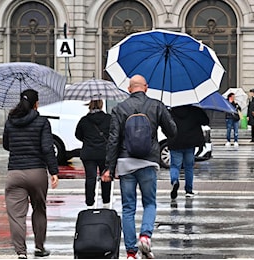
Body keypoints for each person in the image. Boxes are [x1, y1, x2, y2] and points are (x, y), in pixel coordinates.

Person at [101, 75, 177, 259]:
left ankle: (130, 252)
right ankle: (145, 236)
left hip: (126, 163)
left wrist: (109, 168)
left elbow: (113, 140)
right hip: (148, 162)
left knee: (128, 207)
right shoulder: (156, 105)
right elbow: (172, 131)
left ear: (129, 89)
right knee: (150, 203)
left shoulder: (119, 108)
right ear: (146, 87)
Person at [2, 89, 59, 259]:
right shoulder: (42, 122)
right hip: (37, 172)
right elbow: (47, 148)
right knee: (39, 210)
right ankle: (40, 247)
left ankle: (21, 252)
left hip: (15, 172)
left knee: (16, 215)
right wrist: (54, 171)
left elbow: (6, 145)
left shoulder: (10, 121)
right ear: (36, 103)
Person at [75, 99, 112, 208]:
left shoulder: (84, 120)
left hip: (88, 152)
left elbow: (78, 135)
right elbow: (113, 134)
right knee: (105, 176)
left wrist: (87, 140)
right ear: (101, 105)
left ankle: (90, 203)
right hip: (104, 152)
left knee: (90, 178)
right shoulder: (108, 119)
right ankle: (106, 201)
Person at [168, 105, 209, 199]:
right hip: (190, 142)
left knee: (175, 165)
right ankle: (188, 190)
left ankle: (174, 181)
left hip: (175, 142)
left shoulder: (171, 112)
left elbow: (165, 125)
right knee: (189, 167)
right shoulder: (195, 110)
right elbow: (205, 121)